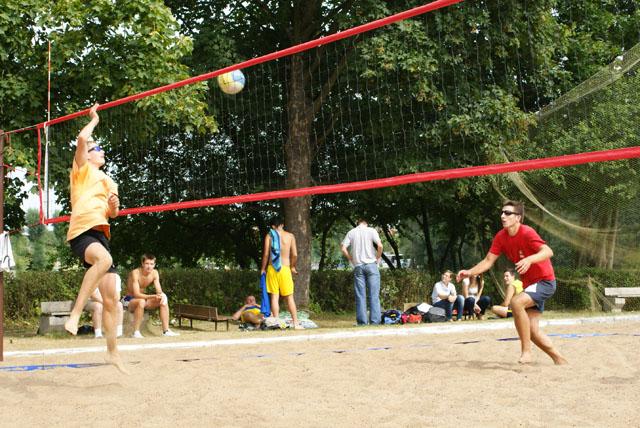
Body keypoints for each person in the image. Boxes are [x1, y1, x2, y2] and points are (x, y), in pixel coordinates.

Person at [456, 200, 567, 365]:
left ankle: (526, 352)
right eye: (502, 212)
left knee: (516, 302)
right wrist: (470, 272)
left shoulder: (527, 232)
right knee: (532, 330)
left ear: (518, 218)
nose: (503, 215)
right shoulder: (501, 237)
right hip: (531, 285)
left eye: (508, 213)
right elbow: (488, 261)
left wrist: (530, 259)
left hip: (545, 282)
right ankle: (560, 360)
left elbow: (548, 251)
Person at [65, 102, 125, 372]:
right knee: (104, 260)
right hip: (81, 232)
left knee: (112, 300)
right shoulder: (81, 170)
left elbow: (114, 213)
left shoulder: (109, 180)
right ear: (87, 155)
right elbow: (81, 138)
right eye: (96, 148)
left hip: (101, 233)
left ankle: (112, 353)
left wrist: (113, 206)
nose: (99, 151)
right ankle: (76, 314)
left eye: (100, 149)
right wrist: (94, 118)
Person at [260, 216, 303, 330]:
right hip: (285, 267)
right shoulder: (290, 236)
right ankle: (296, 323)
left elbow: (265, 254)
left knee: (274, 296)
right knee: (289, 297)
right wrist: (292, 267)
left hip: (272, 268)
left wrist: (262, 269)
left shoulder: (269, 236)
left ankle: (277, 322)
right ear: (282, 224)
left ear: (272, 226)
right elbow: (294, 254)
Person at [340, 218, 383, 326]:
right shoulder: (371, 230)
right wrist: (377, 257)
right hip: (371, 265)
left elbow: (343, 248)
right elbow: (380, 246)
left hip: (358, 266)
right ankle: (375, 322)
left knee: (360, 295)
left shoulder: (351, 232)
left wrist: (350, 258)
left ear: (357, 223)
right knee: (374, 295)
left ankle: (362, 322)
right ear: (366, 223)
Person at [124, 254, 179, 338]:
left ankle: (166, 331)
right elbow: (136, 294)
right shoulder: (135, 273)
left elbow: (159, 290)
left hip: (142, 300)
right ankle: (136, 332)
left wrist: (161, 295)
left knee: (163, 299)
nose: (149, 266)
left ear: (154, 264)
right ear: (142, 264)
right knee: (141, 301)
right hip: (129, 300)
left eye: (151, 264)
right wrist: (153, 296)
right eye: (147, 263)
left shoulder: (155, 273)